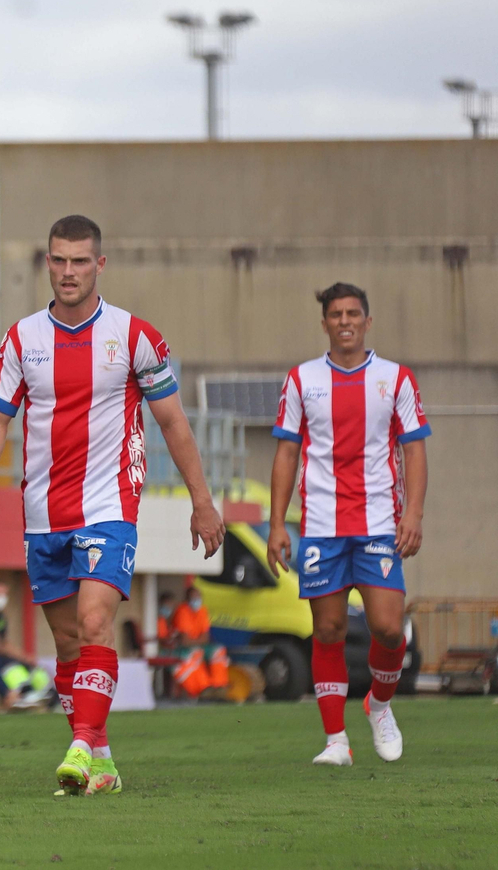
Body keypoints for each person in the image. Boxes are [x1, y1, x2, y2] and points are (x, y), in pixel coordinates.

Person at [0, 214, 225, 797]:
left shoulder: (135, 336)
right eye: (58, 260)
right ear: (47, 263)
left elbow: (172, 422)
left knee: (93, 622)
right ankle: (103, 759)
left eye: (79, 261)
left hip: (110, 502)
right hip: (43, 512)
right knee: (66, 644)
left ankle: (80, 747)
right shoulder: (22, 339)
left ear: (99, 265)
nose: (67, 272)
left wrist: (201, 501)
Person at [266, 282, 429, 767]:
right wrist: (277, 524)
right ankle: (336, 741)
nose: (345, 321)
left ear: (367, 321)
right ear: (325, 323)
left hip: (380, 523)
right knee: (330, 629)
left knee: (386, 628)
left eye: (353, 313)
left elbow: (415, 449)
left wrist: (415, 514)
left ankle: (379, 705)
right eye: (335, 314)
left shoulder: (396, 379)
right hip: (321, 527)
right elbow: (287, 452)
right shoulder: (302, 380)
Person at [161, 585, 229, 699]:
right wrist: (198, 641)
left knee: (218, 651)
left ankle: (219, 685)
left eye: (198, 597)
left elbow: (206, 637)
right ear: (187, 600)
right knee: (195, 654)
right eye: (193, 598)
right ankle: (202, 689)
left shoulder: (202, 610)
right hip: (181, 649)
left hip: (199, 646)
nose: (196, 601)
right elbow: (185, 641)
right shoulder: (182, 611)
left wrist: (197, 641)